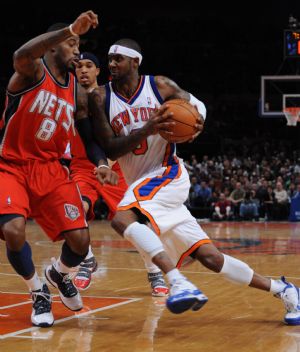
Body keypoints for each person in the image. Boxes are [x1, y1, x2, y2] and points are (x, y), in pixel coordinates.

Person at [87, 38, 300, 323]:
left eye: (118, 59)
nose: (111, 64)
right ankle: (283, 290)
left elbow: (195, 105)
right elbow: (111, 147)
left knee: (121, 219)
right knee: (211, 258)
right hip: (144, 187)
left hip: (166, 174)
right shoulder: (101, 97)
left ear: (135, 62)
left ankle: (177, 281)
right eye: (109, 59)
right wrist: (146, 129)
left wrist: (198, 122)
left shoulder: (159, 86)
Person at [0, 11, 116, 328]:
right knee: (13, 230)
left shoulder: (76, 93)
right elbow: (20, 54)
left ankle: (59, 274)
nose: (77, 51)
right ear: (52, 47)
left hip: (51, 170)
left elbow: (89, 138)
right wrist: (68, 29)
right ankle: (37, 291)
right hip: (11, 165)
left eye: (79, 45)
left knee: (80, 240)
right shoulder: (31, 71)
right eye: (71, 44)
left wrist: (102, 163)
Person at [72, 52, 169, 296]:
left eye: (89, 66)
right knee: (75, 209)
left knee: (136, 222)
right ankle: (87, 260)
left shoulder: (108, 97)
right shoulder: (68, 97)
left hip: (116, 166)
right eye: (79, 66)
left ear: (98, 71)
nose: (83, 70)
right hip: (82, 167)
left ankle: (154, 271)